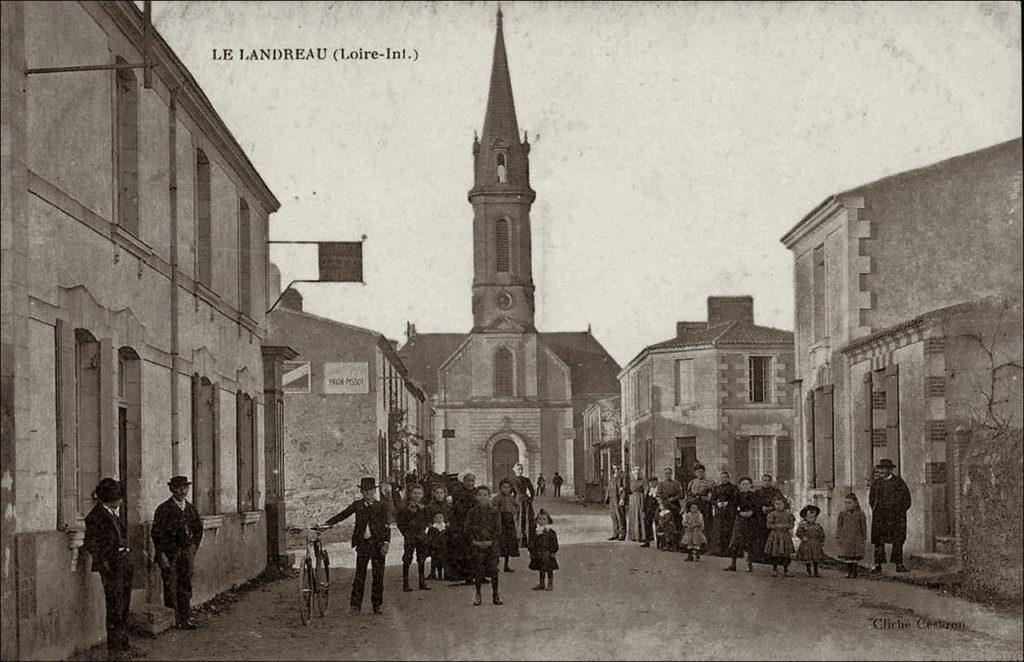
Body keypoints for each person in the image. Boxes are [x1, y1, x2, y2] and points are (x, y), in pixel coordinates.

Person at [323, 477, 391, 615]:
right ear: (361, 492)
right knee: (360, 575)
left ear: (374, 491)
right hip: (363, 544)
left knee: (378, 575)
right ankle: (355, 606)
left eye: (370, 490)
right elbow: (342, 515)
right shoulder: (357, 505)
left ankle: (377, 605)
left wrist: (386, 543)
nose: (367, 493)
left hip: (378, 545)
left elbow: (387, 526)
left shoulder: (381, 506)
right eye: (364, 491)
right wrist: (325, 525)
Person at [84, 478, 133, 661]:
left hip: (123, 564)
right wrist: (106, 561)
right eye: (119, 497)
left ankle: (124, 644)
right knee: (115, 607)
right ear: (110, 497)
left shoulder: (112, 514)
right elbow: (92, 544)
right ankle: (114, 651)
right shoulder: (94, 517)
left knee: (124, 605)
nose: (121, 501)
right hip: (111, 567)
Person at [151, 475, 204, 630]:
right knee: (170, 586)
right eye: (179, 487)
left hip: (186, 553)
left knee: (185, 584)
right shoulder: (163, 509)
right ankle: (173, 619)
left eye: (185, 487)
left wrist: (193, 548)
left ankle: (185, 618)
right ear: (172, 489)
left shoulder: (191, 509)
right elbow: (156, 534)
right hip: (170, 554)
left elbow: (198, 529)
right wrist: (161, 555)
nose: (183, 491)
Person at [869, 458, 912, 574]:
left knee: (898, 540)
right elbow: (872, 499)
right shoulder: (877, 483)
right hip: (880, 517)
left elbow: (907, 500)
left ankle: (899, 564)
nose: (882, 471)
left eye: (885, 468)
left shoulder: (898, 482)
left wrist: (899, 511)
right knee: (879, 540)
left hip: (896, 518)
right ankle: (877, 564)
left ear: (890, 469)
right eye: (881, 468)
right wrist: (877, 510)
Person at [465, 485, 503, 606]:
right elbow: (467, 529)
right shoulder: (471, 512)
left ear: (489, 497)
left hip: (491, 545)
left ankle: (495, 594)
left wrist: (491, 541)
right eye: (480, 495)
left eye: (485, 495)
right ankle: (478, 594)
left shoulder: (494, 511)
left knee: (493, 569)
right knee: (478, 569)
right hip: (476, 544)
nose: (482, 497)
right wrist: (474, 541)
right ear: (476, 497)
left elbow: (498, 529)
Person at [397, 483, 431, 592]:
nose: (417, 495)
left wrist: (424, 529)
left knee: (421, 558)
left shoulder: (424, 507)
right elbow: (400, 522)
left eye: (419, 493)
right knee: (407, 558)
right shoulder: (405, 508)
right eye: (415, 493)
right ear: (410, 494)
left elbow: (427, 519)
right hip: (410, 535)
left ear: (423, 495)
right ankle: (405, 583)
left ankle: (422, 582)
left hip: (421, 535)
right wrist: (405, 533)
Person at [448, 472, 478, 584]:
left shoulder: (476, 492)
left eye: (472, 481)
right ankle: (468, 576)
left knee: (477, 551)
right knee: (466, 551)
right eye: (468, 481)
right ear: (463, 481)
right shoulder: (459, 493)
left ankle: (479, 575)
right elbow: (458, 510)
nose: (471, 483)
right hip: (462, 524)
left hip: (475, 524)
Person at [724, 477, 759, 572]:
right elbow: (732, 507)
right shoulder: (737, 496)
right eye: (743, 484)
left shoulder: (754, 495)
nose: (745, 486)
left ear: (750, 485)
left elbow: (758, 507)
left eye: (747, 484)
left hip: (751, 521)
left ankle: (749, 564)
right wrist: (740, 513)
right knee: (735, 542)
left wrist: (752, 512)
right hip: (740, 521)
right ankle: (733, 564)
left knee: (748, 542)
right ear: (739, 486)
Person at [836, 493, 867, 578]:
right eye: (846, 503)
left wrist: (864, 537)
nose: (847, 505)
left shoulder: (860, 513)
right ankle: (849, 572)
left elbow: (863, 526)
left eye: (849, 503)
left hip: (857, 538)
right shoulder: (842, 513)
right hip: (846, 538)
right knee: (847, 556)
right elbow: (839, 526)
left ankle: (854, 572)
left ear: (855, 503)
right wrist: (838, 536)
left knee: (855, 556)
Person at [709, 471, 740, 556]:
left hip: (730, 513)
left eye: (725, 477)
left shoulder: (734, 487)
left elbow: (736, 498)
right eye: (722, 477)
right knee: (719, 531)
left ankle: (729, 551)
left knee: (729, 530)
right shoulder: (717, 488)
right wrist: (717, 503)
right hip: (719, 513)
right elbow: (712, 499)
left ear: (728, 478)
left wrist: (728, 503)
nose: (724, 479)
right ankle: (718, 551)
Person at [493, 478, 521, 572]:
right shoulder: (497, 498)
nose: (506, 489)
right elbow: (494, 509)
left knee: (508, 543)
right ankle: (495, 565)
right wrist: (498, 515)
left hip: (509, 521)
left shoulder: (511, 497)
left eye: (508, 487)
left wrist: (514, 512)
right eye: (504, 487)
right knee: (499, 542)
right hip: (500, 521)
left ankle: (506, 565)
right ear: (500, 488)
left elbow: (517, 506)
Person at [425, 484, 453, 580]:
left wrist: (448, 523)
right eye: (437, 493)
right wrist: (430, 524)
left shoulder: (448, 506)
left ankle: (446, 572)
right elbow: (428, 517)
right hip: (434, 531)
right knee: (434, 552)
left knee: (445, 551)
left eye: (441, 493)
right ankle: (433, 572)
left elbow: (450, 516)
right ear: (434, 494)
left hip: (445, 531)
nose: (439, 495)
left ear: (445, 494)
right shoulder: (430, 506)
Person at [764, 495, 795, 577]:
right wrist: (778, 526)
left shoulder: (788, 514)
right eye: (776, 504)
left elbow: (792, 525)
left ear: (784, 504)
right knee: (774, 553)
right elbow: (769, 525)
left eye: (780, 504)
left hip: (785, 536)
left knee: (786, 553)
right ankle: (774, 569)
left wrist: (785, 526)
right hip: (775, 536)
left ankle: (786, 570)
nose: (778, 506)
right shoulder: (772, 514)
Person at [529, 510, 559, 591]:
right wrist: (532, 551)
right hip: (538, 553)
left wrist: (553, 552)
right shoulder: (535, 531)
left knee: (549, 569)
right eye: (539, 519)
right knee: (541, 569)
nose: (541, 521)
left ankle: (550, 583)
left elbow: (554, 544)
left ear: (548, 521)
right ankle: (541, 583)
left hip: (548, 554)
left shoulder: (551, 532)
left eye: (544, 519)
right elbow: (532, 542)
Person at [685, 463, 716, 535]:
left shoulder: (710, 482)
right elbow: (688, 494)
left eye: (701, 472)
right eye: (697, 472)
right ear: (695, 473)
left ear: (704, 472)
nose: (699, 473)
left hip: (705, 505)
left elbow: (713, 493)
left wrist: (707, 498)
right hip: (694, 505)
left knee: (705, 523)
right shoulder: (692, 482)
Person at [509, 463, 536, 546]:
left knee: (527, 519)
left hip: (526, 502)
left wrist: (530, 500)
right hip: (517, 502)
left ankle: (528, 540)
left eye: (521, 469)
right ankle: (519, 541)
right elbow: (509, 493)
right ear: (514, 470)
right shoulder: (511, 480)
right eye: (518, 469)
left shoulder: (526, 480)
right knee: (518, 520)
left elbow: (532, 491)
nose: (520, 471)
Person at [796, 505, 826, 577]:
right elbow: (798, 533)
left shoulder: (818, 526)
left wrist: (821, 541)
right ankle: (808, 571)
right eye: (809, 517)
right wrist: (803, 537)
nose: (811, 519)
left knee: (816, 558)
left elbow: (821, 534)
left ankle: (816, 571)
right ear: (805, 517)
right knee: (808, 558)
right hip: (807, 544)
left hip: (816, 544)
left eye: (813, 517)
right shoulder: (803, 525)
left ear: (815, 517)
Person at [604, 465, 627, 541]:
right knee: (614, 517)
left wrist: (622, 499)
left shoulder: (623, 475)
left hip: (618, 498)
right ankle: (615, 533)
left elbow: (624, 488)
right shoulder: (612, 475)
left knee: (620, 516)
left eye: (617, 468)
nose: (616, 469)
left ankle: (622, 534)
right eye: (614, 468)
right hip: (612, 498)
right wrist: (607, 497)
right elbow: (609, 486)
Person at [425, 511, 448, 581]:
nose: (439, 519)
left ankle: (444, 574)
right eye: (436, 518)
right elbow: (429, 537)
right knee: (434, 560)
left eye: (441, 517)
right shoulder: (432, 528)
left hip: (444, 547)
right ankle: (434, 573)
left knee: (444, 560)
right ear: (434, 519)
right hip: (435, 547)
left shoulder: (446, 527)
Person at [626, 466, 646, 543]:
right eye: (635, 473)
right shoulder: (631, 482)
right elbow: (628, 491)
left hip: (640, 499)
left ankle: (640, 536)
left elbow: (646, 490)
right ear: (633, 474)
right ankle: (633, 536)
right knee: (633, 516)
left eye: (638, 473)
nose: (636, 475)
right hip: (633, 500)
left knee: (639, 516)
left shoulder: (643, 481)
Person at [641, 476, 660, 548]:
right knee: (647, 524)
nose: (652, 484)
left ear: (656, 482)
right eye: (651, 482)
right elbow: (645, 501)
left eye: (653, 482)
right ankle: (647, 541)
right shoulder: (649, 490)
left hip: (656, 510)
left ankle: (659, 543)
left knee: (658, 526)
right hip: (648, 511)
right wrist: (644, 510)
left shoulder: (659, 489)